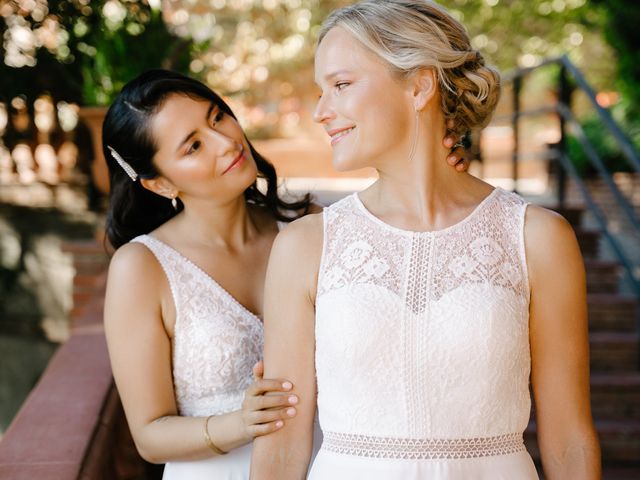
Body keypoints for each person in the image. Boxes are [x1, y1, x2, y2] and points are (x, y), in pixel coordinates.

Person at [250, 1, 601, 479]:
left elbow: (570, 441)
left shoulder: (537, 238)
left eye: (341, 85)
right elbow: (282, 447)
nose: (320, 112)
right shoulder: (305, 246)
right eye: (321, 91)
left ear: (419, 85)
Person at [102, 69, 470, 479]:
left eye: (217, 117)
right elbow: (149, 436)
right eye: (193, 146)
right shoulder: (142, 267)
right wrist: (241, 422)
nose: (227, 143)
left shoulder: (309, 230)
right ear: (159, 183)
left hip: (331, 465)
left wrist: (434, 172)